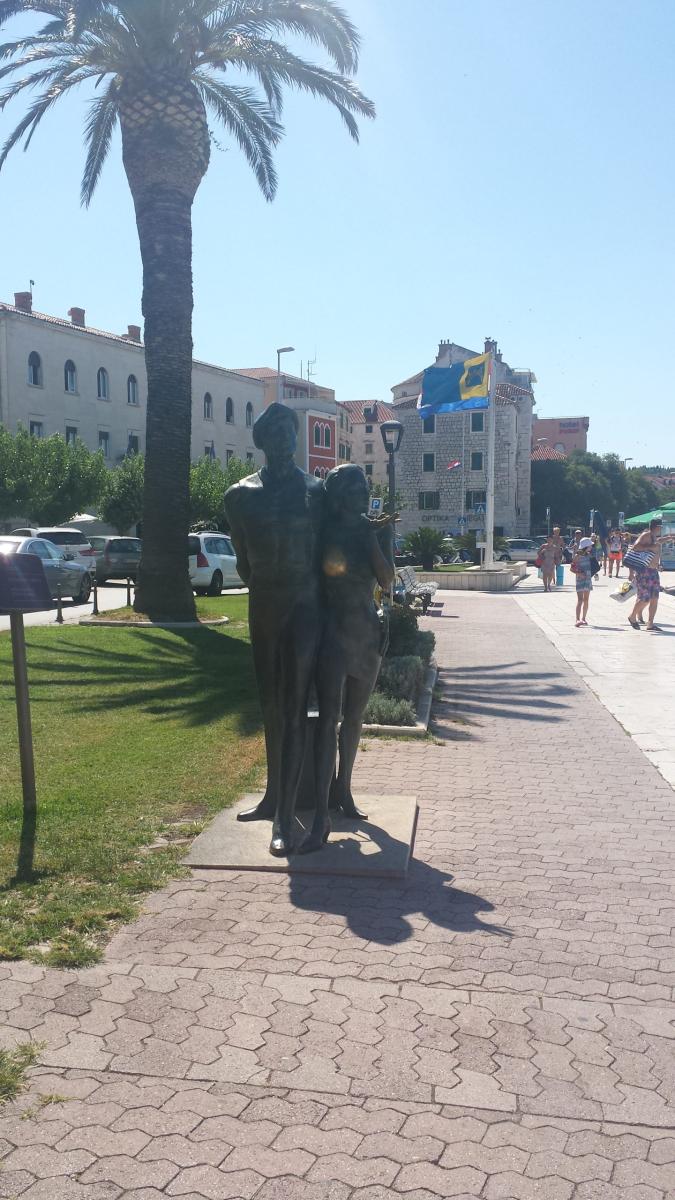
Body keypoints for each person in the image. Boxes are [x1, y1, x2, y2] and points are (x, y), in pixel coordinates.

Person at [224, 403, 324, 856]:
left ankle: (284, 816)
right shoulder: (239, 496)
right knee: (269, 704)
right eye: (276, 431)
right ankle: (271, 797)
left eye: (290, 431)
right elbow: (243, 560)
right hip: (265, 604)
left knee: (294, 706)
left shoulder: (316, 492)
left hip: (305, 604)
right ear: (261, 440)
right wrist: (269, 586)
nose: (285, 438)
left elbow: (328, 555)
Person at [300, 465, 395, 854]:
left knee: (354, 719)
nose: (363, 496)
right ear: (339, 495)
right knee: (328, 721)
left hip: (367, 634)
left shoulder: (375, 531)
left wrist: (371, 537)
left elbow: (387, 579)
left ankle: (345, 790)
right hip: (332, 634)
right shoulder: (323, 532)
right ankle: (321, 815)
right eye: (356, 490)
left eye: (364, 489)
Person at [627, 517, 668, 632]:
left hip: (653, 572)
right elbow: (635, 547)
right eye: (660, 527)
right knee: (645, 598)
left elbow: (657, 543)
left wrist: (668, 538)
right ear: (657, 527)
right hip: (645, 571)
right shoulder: (646, 535)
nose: (661, 529)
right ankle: (632, 616)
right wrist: (651, 547)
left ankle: (650, 624)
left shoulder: (654, 537)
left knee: (654, 598)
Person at [572, 536, 594, 626]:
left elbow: (592, 567)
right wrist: (579, 573)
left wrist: (595, 573)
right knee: (580, 600)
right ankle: (577, 619)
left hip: (588, 579)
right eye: (590, 545)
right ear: (586, 546)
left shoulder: (589, 555)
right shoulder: (577, 556)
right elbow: (572, 568)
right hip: (580, 579)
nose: (591, 547)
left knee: (586, 600)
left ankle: (584, 618)